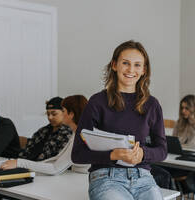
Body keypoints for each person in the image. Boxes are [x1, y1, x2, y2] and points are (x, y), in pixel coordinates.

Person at [71, 40, 167, 200]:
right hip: (105, 177)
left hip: (143, 178)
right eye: (125, 63)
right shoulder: (97, 102)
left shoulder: (152, 104)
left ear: (144, 70)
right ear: (114, 65)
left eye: (137, 65)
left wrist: (143, 154)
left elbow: (162, 150)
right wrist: (113, 155)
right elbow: (78, 154)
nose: (131, 69)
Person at [0, 95, 90, 175]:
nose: (50, 117)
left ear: (71, 114)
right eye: (48, 114)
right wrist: (20, 164)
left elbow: (55, 168)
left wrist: (20, 163)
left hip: (81, 180)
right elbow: (56, 159)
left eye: (63, 111)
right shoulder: (77, 133)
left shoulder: (80, 137)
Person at [17, 97, 72, 161]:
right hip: (28, 165)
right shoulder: (42, 131)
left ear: (64, 113)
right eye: (48, 114)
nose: (50, 117)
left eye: (54, 114)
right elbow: (27, 150)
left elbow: (57, 161)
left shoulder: (68, 134)